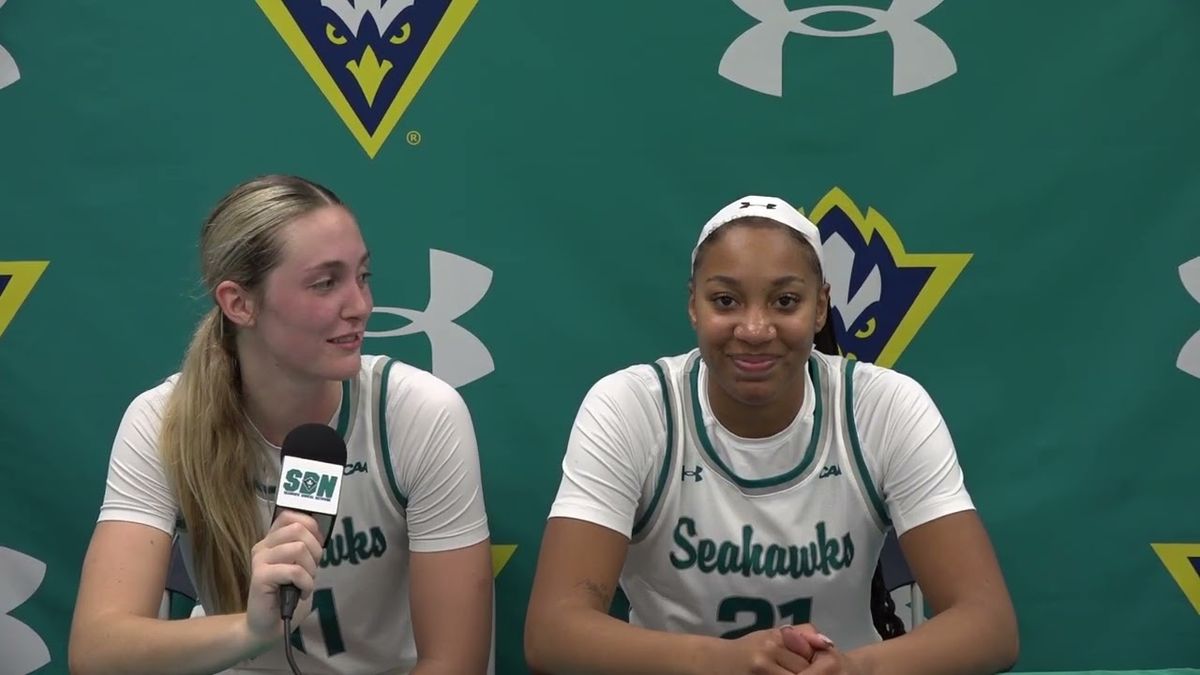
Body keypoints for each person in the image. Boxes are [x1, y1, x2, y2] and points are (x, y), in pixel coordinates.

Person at [525, 195, 1018, 675]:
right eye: (725, 301)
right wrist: (722, 662)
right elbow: (553, 632)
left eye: (785, 301)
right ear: (692, 305)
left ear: (820, 307)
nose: (756, 328)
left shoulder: (882, 405)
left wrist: (855, 668)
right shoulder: (632, 407)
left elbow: (988, 626)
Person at [69, 175, 494, 675]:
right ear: (239, 303)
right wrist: (251, 630)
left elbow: (454, 662)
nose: (360, 306)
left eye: (362, 276)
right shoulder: (164, 422)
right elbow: (98, 652)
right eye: (325, 283)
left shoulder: (419, 412)